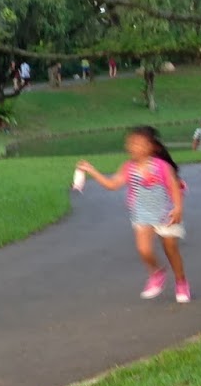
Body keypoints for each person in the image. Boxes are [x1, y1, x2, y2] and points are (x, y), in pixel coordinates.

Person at [77, 126, 190, 303]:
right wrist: (92, 171)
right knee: (144, 250)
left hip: (166, 215)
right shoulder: (128, 167)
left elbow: (174, 187)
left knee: (171, 250)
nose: (133, 147)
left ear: (152, 147)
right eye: (130, 143)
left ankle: (181, 281)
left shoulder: (161, 167)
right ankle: (157, 272)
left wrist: (178, 209)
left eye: (138, 143)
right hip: (142, 215)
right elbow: (112, 185)